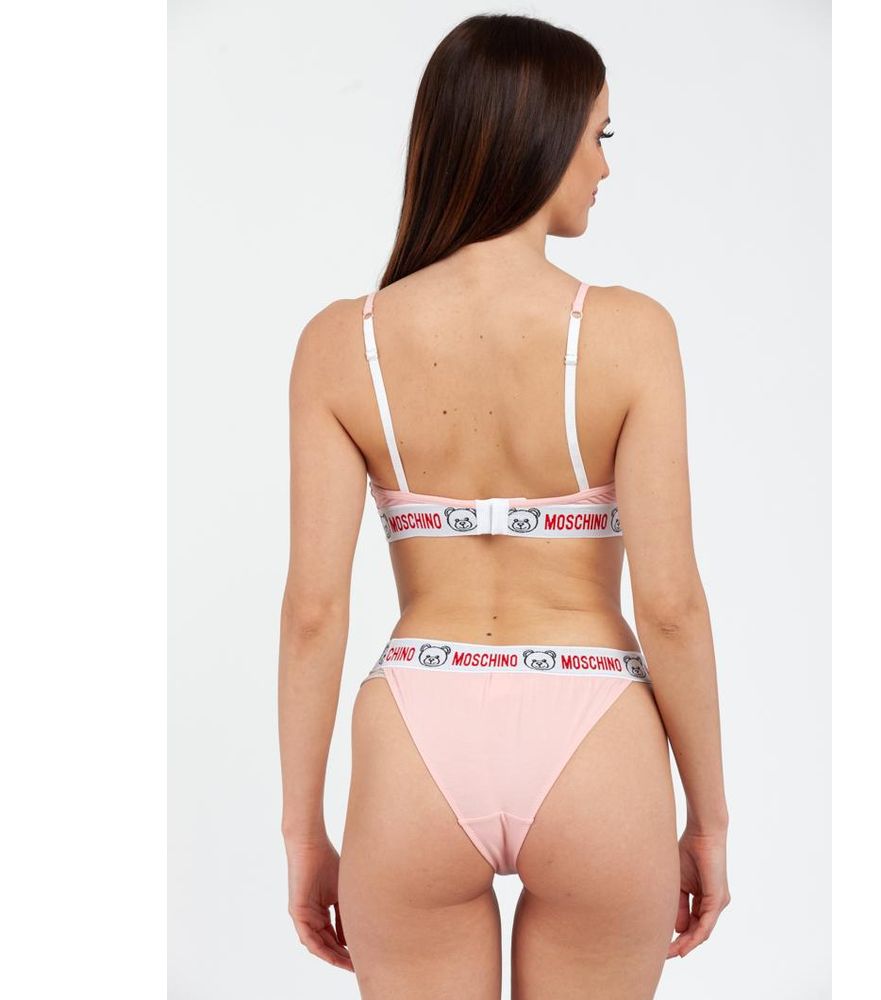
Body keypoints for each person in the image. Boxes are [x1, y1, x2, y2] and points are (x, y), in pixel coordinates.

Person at [278, 13, 730, 998]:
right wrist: (710, 817)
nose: (604, 168)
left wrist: (302, 830)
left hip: (416, 733)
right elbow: (670, 606)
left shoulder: (340, 344)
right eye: (597, 135)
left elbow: (313, 611)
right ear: (538, 134)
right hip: (596, 734)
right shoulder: (631, 333)